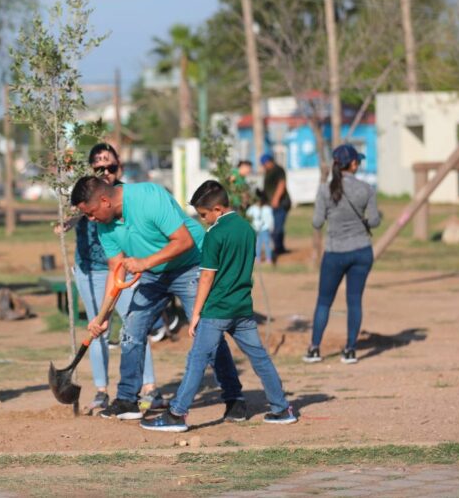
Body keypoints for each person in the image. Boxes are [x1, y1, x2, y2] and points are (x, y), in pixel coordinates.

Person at [73, 176, 246, 422]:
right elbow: (116, 270)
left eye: (91, 213)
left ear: (104, 200)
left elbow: (184, 241)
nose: (90, 219)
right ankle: (127, 400)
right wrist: (103, 316)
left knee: (207, 331)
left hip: (191, 264)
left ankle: (234, 398)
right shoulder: (104, 224)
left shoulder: (149, 197)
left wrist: (145, 263)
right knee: (131, 329)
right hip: (154, 274)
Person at [141, 181, 297, 432]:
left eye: (203, 215)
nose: (202, 220)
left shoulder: (215, 234)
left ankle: (177, 413)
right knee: (260, 358)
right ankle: (281, 408)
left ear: (217, 209)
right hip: (243, 309)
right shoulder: (248, 230)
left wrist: (195, 314)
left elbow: (206, 277)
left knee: (196, 360)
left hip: (217, 310)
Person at [58, 143, 164, 412]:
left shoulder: (126, 196)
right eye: (99, 167)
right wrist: (68, 221)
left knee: (135, 325)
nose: (105, 171)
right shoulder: (85, 196)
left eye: (111, 166)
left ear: (120, 167)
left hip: (122, 270)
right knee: (96, 329)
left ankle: (149, 386)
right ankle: (101, 390)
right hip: (90, 270)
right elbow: (71, 216)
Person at [303, 144, 380, 365]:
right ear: (354, 164)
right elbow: (374, 221)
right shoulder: (366, 189)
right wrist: (364, 221)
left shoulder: (324, 190)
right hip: (361, 250)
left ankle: (314, 349)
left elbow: (317, 223)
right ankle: (350, 350)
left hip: (335, 252)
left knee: (324, 301)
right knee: (354, 300)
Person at [260, 154, 291, 258]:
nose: (264, 165)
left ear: (270, 161)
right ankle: (279, 248)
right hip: (271, 205)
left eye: (265, 163)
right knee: (275, 227)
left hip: (281, 203)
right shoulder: (267, 172)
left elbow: (281, 184)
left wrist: (276, 199)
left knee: (278, 227)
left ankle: (278, 249)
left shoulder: (278, 170)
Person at [246, 189, 274, 266]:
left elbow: (270, 219)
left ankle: (269, 258)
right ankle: (258, 259)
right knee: (257, 244)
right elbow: (248, 217)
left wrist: (270, 227)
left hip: (265, 229)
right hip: (256, 230)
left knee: (267, 243)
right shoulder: (252, 208)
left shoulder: (267, 209)